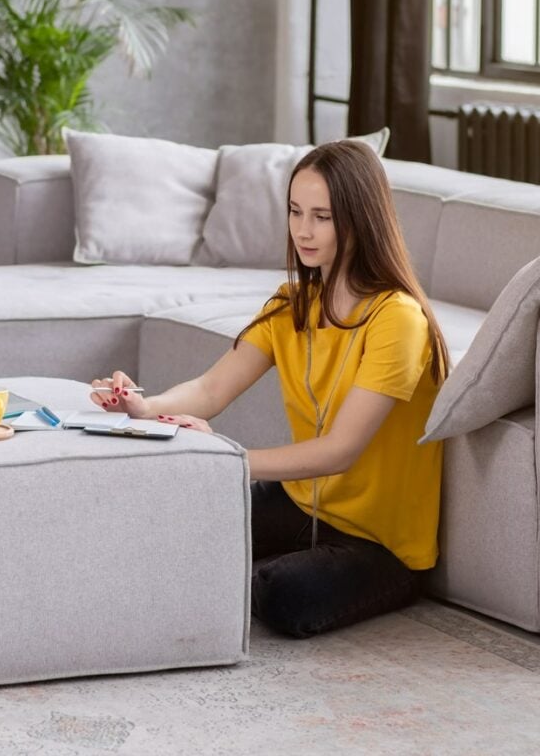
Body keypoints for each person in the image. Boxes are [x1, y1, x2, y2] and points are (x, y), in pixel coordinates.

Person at [90, 139, 450, 638]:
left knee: (282, 594)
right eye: (295, 211)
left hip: (380, 542)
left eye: (322, 217)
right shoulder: (291, 304)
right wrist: (144, 406)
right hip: (303, 503)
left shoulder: (398, 320)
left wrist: (228, 459)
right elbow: (211, 389)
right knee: (169, 524)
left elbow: (341, 450)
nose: (303, 230)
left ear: (361, 219)